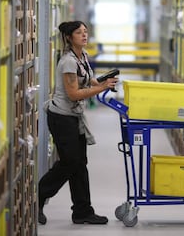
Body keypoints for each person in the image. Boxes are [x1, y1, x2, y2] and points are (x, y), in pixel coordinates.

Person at [38, 21, 118, 225]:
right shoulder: (67, 61)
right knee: (70, 162)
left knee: (80, 163)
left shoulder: (82, 57)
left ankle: (82, 210)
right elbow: (73, 94)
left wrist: (103, 82)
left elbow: (88, 80)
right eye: (78, 32)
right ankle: (38, 195)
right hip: (61, 118)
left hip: (74, 117)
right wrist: (102, 89)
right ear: (68, 37)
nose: (84, 35)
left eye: (85, 31)